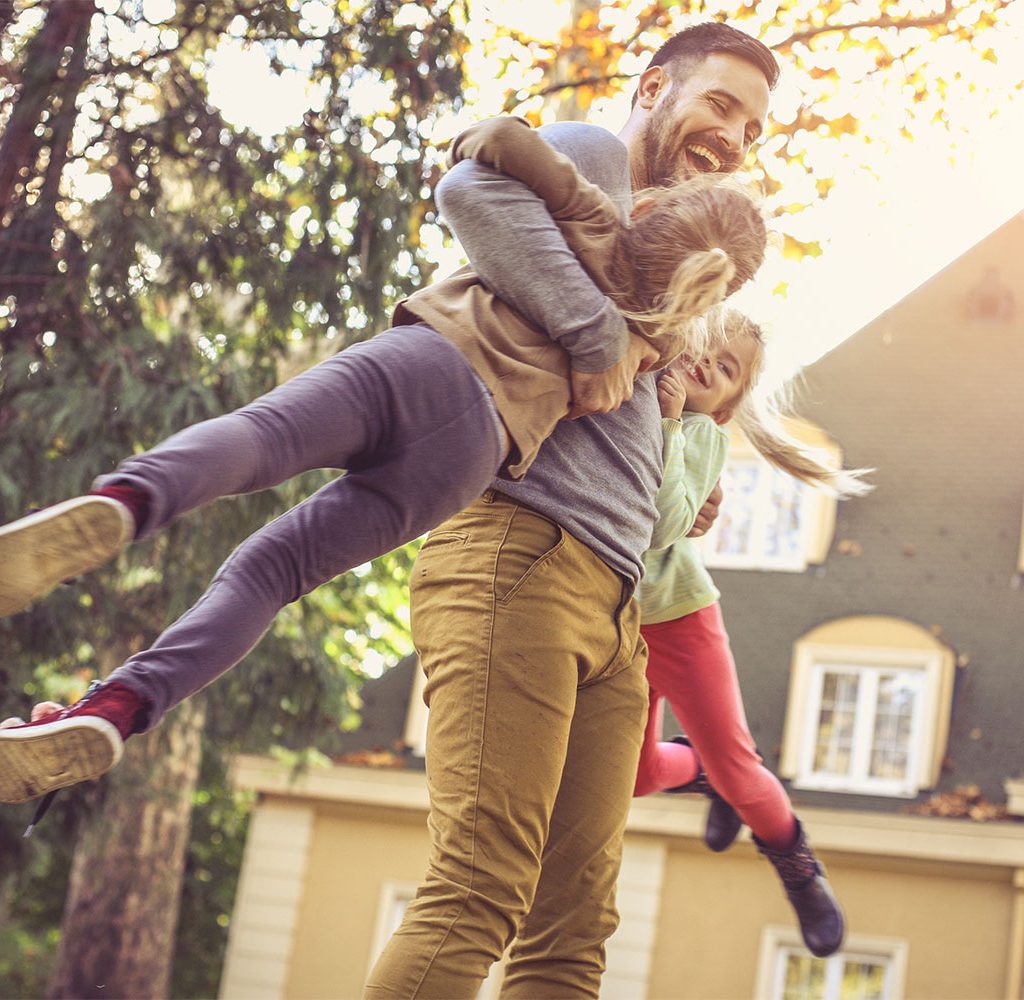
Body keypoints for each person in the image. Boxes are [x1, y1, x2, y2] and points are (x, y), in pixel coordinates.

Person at [0, 113, 767, 807]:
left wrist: (505, 149)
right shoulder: (654, 343)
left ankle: (129, 502)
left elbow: (492, 144)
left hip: (432, 367)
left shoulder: (596, 217)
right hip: (470, 460)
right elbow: (654, 442)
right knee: (273, 572)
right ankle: (118, 709)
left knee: (263, 438)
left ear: (653, 210)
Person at [363, 24, 780, 999]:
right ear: (652, 86)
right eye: (720, 104)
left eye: (752, 130)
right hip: (517, 555)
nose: (732, 137)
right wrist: (597, 335)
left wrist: (679, 488)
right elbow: (469, 190)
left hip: (615, 604)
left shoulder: (675, 254)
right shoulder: (589, 163)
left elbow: (624, 423)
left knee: (573, 931)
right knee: (478, 888)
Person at [634, 308, 869, 959]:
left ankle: (801, 872)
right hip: (622, 629)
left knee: (743, 773)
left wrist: (671, 418)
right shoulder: (634, 391)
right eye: (706, 345)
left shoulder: (701, 435)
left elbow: (659, 520)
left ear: (726, 408)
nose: (709, 360)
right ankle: (699, 768)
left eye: (726, 368)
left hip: (680, 618)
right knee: (632, 776)